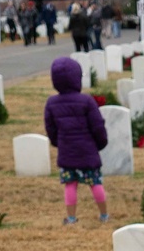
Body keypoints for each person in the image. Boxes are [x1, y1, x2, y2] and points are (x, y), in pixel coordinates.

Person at [44, 58, 109, 225]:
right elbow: (97, 125)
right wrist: (100, 143)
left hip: (67, 151)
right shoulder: (86, 101)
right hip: (87, 151)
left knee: (70, 185)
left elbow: (50, 128)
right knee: (95, 183)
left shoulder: (51, 103)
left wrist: (58, 143)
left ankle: (71, 218)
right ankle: (104, 215)